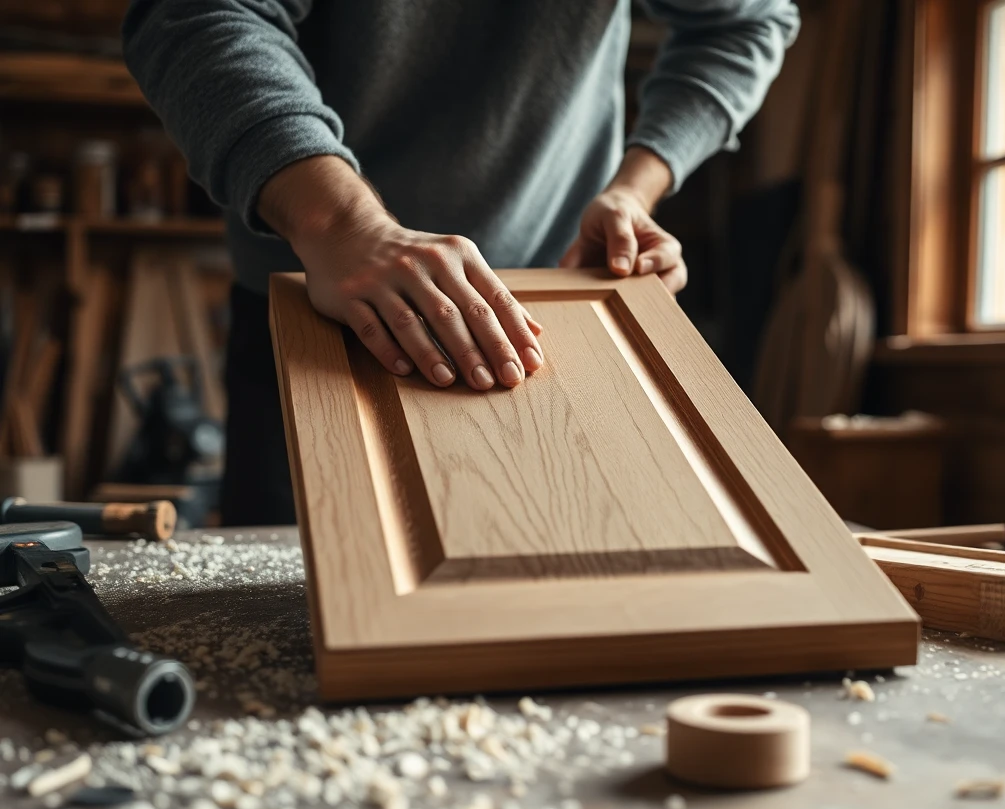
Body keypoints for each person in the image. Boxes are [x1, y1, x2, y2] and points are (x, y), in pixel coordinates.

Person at [122, 0, 800, 526]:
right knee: (289, 635)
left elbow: (748, 22)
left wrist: (636, 187)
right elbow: (197, 14)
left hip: (554, 313)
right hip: (323, 307)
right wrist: (340, 223)